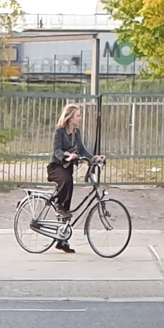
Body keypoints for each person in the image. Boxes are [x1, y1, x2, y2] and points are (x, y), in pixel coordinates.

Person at [46, 104, 96, 254]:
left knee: (67, 204)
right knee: (66, 182)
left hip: (67, 169)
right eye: (78, 115)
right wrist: (68, 156)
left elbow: (82, 150)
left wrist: (94, 158)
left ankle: (62, 240)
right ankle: (58, 206)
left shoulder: (76, 133)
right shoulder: (59, 132)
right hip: (56, 167)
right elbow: (57, 150)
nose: (80, 118)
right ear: (69, 117)